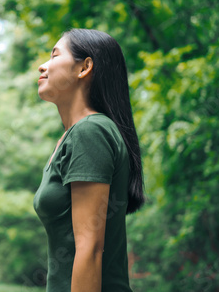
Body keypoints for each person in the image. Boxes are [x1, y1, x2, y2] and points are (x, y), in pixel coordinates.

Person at [33, 28, 146, 292]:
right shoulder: (73, 137)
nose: (42, 66)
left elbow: (90, 248)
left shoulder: (90, 132)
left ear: (84, 67)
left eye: (54, 56)